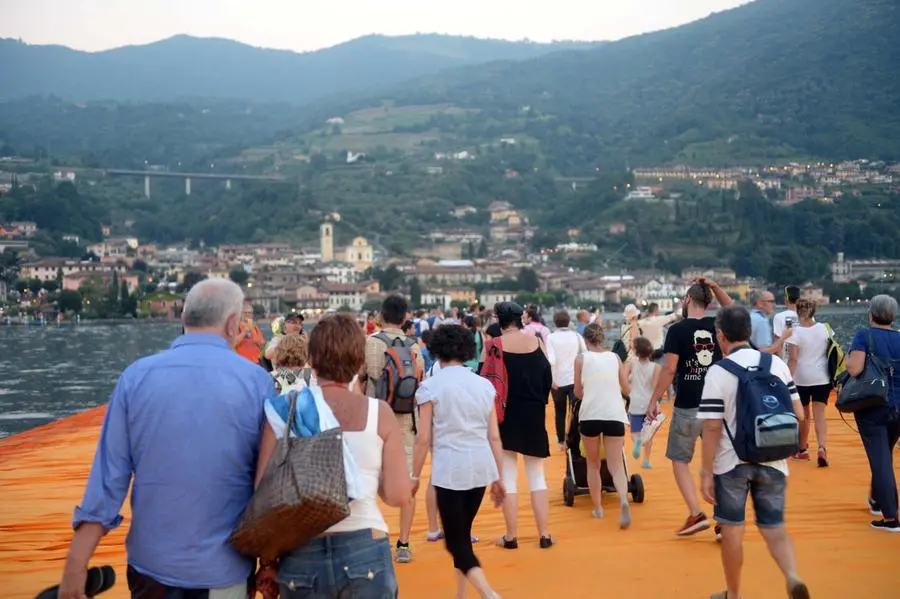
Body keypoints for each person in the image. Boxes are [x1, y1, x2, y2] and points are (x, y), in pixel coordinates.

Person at [58, 279, 276, 599]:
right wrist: (270, 561)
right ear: (232, 324)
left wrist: (76, 562)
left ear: (183, 318)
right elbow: (267, 484)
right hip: (223, 568)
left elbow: (108, 479)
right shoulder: (257, 382)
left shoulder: (136, 376)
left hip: (152, 566)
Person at [257, 313, 412, 598]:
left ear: (312, 360)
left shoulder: (282, 410)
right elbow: (398, 495)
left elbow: (263, 495)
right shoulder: (380, 414)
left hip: (300, 551)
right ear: (358, 361)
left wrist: (267, 562)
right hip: (365, 546)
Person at [698, 305, 809, 599]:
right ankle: (792, 575)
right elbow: (799, 414)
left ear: (720, 335)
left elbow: (711, 428)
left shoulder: (718, 372)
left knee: (732, 531)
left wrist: (705, 471)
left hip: (730, 463)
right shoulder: (776, 365)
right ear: (748, 331)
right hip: (774, 458)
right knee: (774, 526)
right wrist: (796, 447)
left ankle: (733, 594)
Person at [412, 325, 506, 599]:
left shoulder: (430, 386)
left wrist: (414, 476)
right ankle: (461, 594)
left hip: (449, 471)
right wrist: (499, 477)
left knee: (456, 541)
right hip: (480, 467)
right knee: (462, 536)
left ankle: (488, 593)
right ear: (467, 350)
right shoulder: (483, 385)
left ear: (436, 350)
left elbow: (423, 438)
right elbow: (494, 437)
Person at [646, 278, 733, 537]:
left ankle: (696, 513)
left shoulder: (677, 330)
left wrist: (654, 400)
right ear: (708, 303)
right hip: (716, 404)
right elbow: (732, 309)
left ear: (687, 300)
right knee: (718, 461)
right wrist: (716, 286)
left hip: (688, 405)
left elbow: (670, 368)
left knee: (680, 460)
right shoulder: (718, 325)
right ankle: (723, 520)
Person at [363, 295, 424, 563]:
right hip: (408, 421)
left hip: (375, 420)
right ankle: (404, 543)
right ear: (405, 317)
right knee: (407, 482)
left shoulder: (372, 343)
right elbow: (419, 380)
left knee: (369, 482)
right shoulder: (415, 346)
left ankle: (376, 540)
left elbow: (365, 376)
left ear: (381, 315)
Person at [493, 302, 555, 550]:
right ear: (520, 319)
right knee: (537, 476)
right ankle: (544, 534)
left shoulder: (494, 346)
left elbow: (488, 382)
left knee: (508, 477)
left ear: (499, 319)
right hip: (533, 414)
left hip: (505, 416)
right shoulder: (537, 343)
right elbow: (546, 379)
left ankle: (511, 536)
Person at [846, 294, 900, 533]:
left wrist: (848, 359)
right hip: (898, 406)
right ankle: (877, 501)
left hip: (873, 405)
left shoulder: (863, 335)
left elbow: (855, 368)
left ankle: (891, 517)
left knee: (880, 461)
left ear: (871, 314)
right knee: (884, 454)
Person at [574, 324, 633, 528]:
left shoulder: (581, 359)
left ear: (586, 340)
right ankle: (624, 500)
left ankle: (598, 507)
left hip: (590, 414)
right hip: (614, 413)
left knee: (593, 464)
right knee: (615, 465)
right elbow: (626, 388)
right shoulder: (615, 358)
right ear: (603, 339)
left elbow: (578, 393)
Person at [785, 298, 832, 466]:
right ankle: (822, 448)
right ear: (814, 311)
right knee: (820, 414)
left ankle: (802, 450)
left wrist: (787, 379)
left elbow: (793, 359)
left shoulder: (794, 332)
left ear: (797, 312)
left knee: (803, 415)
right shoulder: (825, 329)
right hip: (822, 377)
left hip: (801, 378)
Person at [547, 310, 586, 450]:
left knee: (559, 411)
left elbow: (551, 360)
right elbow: (585, 354)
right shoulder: (576, 336)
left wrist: (551, 380)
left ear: (555, 322)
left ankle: (561, 441)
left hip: (557, 379)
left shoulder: (551, 338)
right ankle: (575, 438)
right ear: (569, 322)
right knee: (576, 411)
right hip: (575, 379)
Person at [625, 336, 661, 469]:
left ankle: (637, 442)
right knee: (649, 434)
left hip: (635, 402)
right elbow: (655, 385)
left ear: (636, 352)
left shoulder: (631, 364)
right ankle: (646, 461)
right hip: (650, 403)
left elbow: (623, 377)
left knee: (635, 433)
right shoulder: (656, 367)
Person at [749, 289, 793, 355]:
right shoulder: (761, 321)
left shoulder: (750, 317)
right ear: (760, 304)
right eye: (771, 301)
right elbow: (764, 352)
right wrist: (783, 337)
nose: (774, 305)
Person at [774, 285, 800, 359]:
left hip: (787, 361)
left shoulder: (779, 316)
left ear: (786, 299)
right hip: (804, 362)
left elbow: (778, 342)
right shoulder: (808, 317)